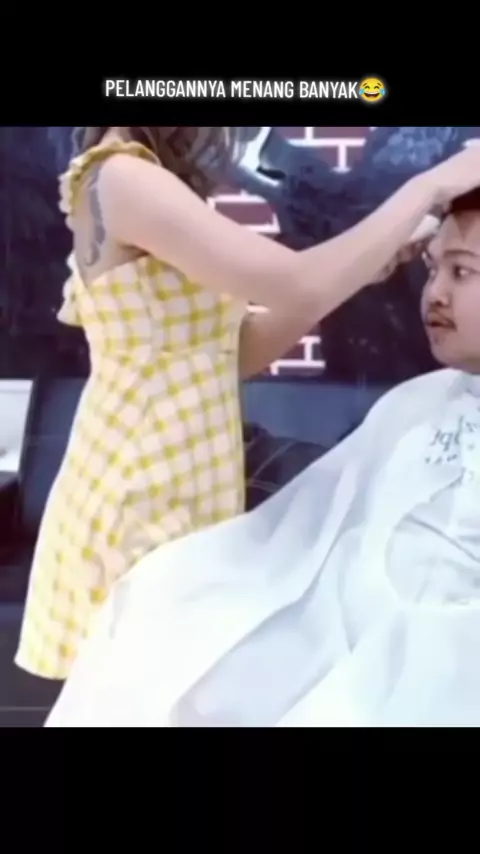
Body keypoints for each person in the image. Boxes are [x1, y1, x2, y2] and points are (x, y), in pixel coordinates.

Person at [14, 129, 480, 683]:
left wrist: (357, 267)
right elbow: (296, 284)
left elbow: (230, 353)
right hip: (138, 486)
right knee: (138, 695)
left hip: (187, 482)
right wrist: (430, 186)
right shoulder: (121, 177)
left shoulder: (138, 181)